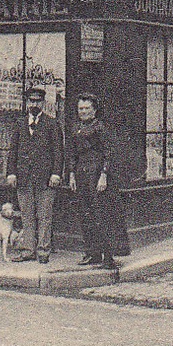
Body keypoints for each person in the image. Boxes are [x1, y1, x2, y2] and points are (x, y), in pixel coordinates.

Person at [68, 92, 129, 270]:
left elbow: (108, 153)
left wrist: (104, 175)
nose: (84, 111)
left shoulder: (100, 128)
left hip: (97, 175)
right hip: (81, 174)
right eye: (81, 108)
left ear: (94, 110)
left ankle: (108, 256)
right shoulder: (75, 128)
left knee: (101, 215)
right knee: (85, 214)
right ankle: (92, 253)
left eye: (87, 108)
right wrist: (71, 174)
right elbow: (72, 153)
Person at [7, 86, 64, 264]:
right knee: (27, 215)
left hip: (45, 179)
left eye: (38, 101)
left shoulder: (52, 123)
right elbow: (13, 151)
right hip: (23, 178)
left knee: (45, 215)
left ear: (43, 103)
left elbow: (58, 152)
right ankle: (28, 250)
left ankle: (43, 251)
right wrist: (11, 173)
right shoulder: (19, 123)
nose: (34, 104)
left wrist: (56, 173)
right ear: (26, 103)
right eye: (31, 101)